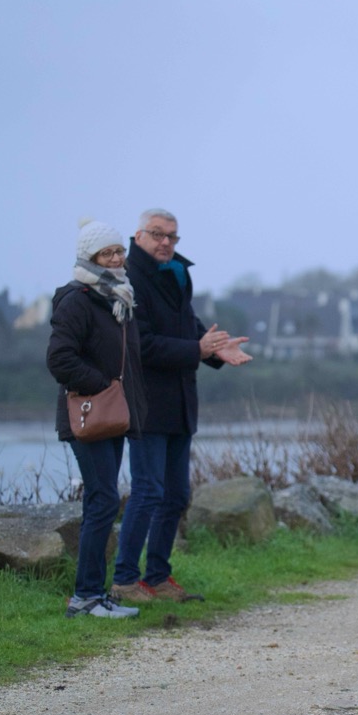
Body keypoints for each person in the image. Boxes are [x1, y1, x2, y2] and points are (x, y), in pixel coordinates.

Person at [109, 209, 251, 604]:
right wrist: (196, 349)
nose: (166, 242)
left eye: (172, 236)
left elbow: (188, 326)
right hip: (146, 404)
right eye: (157, 234)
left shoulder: (176, 274)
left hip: (181, 404)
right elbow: (141, 345)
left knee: (175, 495)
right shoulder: (128, 279)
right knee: (147, 492)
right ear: (138, 235)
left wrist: (216, 349)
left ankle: (157, 578)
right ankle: (124, 581)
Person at [46, 220, 149, 618]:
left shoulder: (119, 297)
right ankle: (85, 597)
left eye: (119, 251)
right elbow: (59, 359)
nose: (117, 258)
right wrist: (103, 386)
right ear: (90, 258)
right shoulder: (77, 299)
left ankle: (92, 595)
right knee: (103, 499)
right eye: (107, 253)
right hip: (88, 415)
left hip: (114, 415)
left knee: (101, 501)